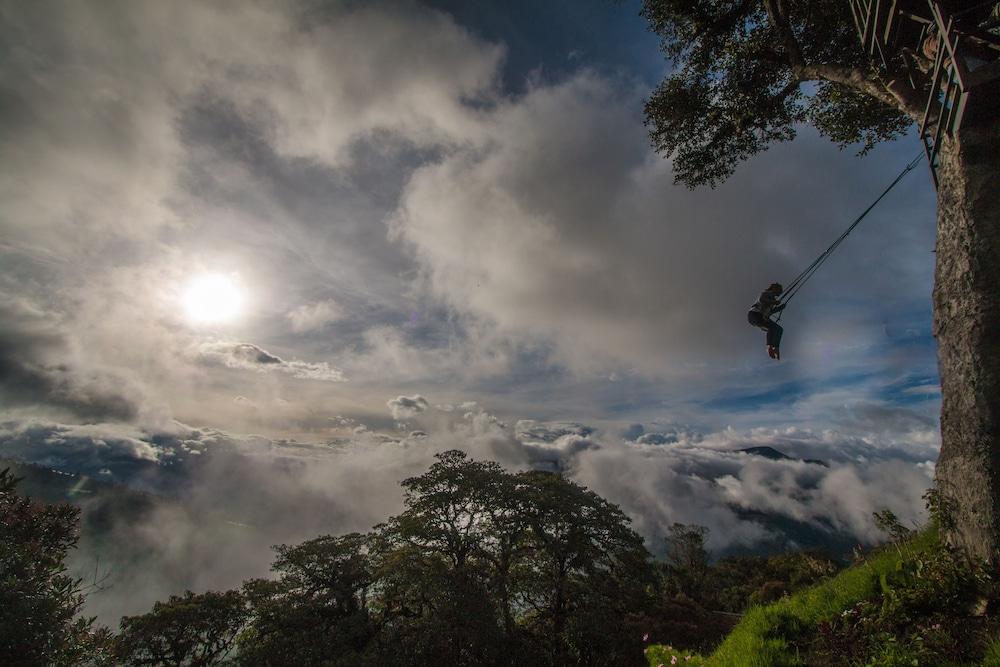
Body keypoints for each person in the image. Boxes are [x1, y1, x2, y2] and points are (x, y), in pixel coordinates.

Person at [748, 283, 785, 360]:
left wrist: (780, 308)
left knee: (779, 329)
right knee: (771, 328)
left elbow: (770, 311)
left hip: (761, 317)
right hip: (755, 315)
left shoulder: (772, 299)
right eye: (779, 291)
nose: (779, 293)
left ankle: (776, 347)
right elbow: (762, 300)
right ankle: (769, 346)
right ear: (775, 289)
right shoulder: (765, 293)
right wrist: (774, 302)